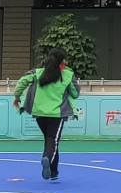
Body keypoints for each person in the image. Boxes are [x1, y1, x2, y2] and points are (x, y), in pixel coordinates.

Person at [13, 48, 77, 180]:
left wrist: (17, 96)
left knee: (50, 140)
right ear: (62, 61)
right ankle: (46, 158)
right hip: (57, 114)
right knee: (52, 140)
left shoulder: (37, 73)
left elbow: (22, 81)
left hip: (39, 114)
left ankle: (54, 172)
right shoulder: (67, 75)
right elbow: (75, 93)